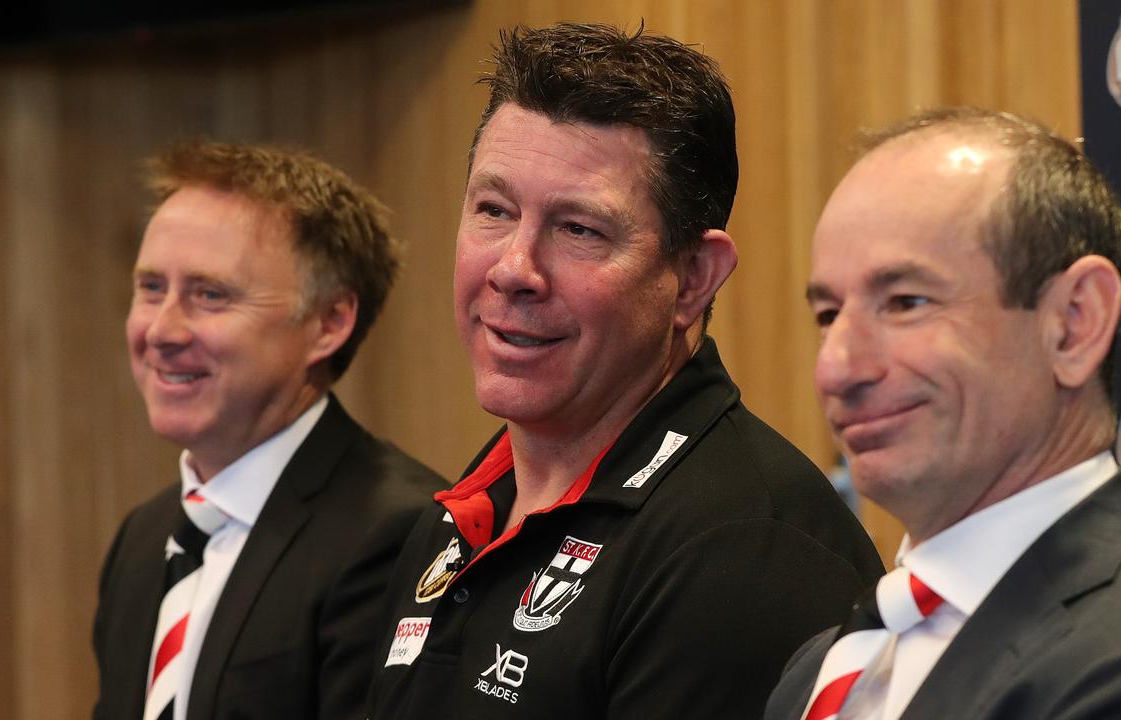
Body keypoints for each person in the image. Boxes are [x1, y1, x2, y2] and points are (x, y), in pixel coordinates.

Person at [367, 22, 884, 720]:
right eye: (494, 210)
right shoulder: (460, 519)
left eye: (579, 229)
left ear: (694, 278)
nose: (514, 268)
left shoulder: (743, 547)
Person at [766, 108, 1121, 720]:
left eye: (905, 302)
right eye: (829, 314)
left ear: (1074, 324)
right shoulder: (829, 661)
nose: (837, 369)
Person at [92, 140, 446, 720]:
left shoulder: (401, 535)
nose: (161, 330)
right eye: (151, 287)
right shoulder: (143, 537)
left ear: (329, 323)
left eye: (210, 294)